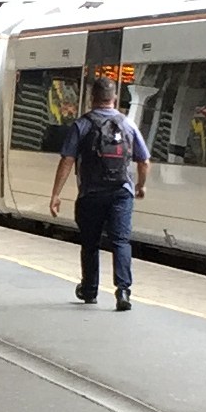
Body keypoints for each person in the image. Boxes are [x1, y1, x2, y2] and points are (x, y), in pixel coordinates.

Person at [48, 78, 150, 312]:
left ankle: (90, 290)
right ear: (114, 98)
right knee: (121, 241)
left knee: (90, 243)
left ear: (92, 98)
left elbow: (67, 160)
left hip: (91, 193)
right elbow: (144, 161)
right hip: (121, 193)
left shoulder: (82, 125)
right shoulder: (128, 125)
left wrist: (56, 194)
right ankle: (123, 291)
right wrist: (141, 186)